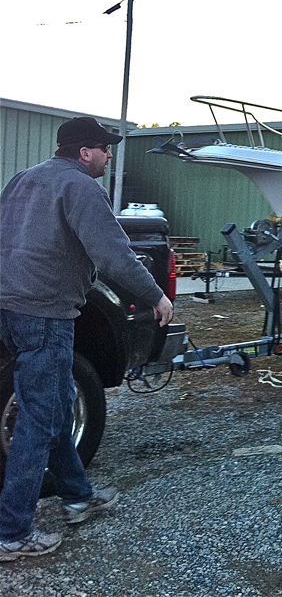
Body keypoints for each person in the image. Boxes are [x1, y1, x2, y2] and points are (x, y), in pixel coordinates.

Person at [0, 116, 173, 561]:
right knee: (38, 421)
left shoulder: (24, 179)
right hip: (45, 315)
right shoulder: (81, 187)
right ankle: (11, 533)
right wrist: (156, 296)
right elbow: (113, 255)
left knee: (54, 407)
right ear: (84, 152)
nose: (110, 156)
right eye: (105, 148)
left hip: (10, 309)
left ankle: (78, 496)